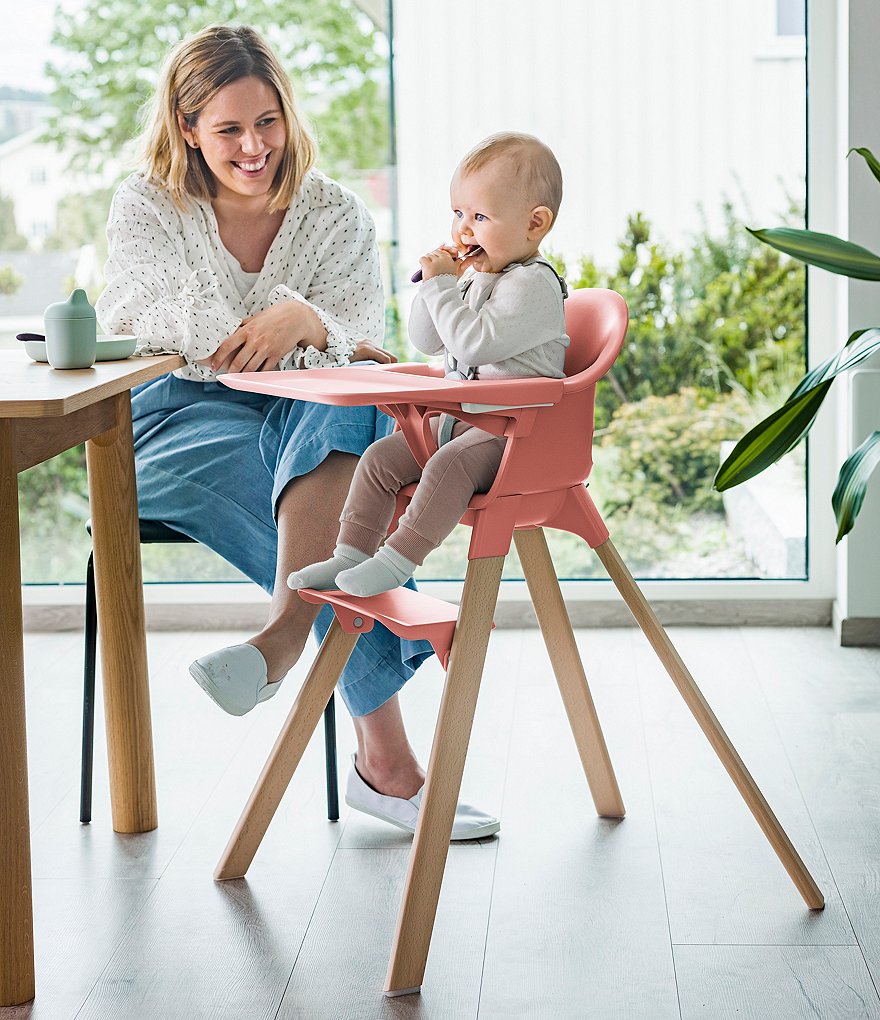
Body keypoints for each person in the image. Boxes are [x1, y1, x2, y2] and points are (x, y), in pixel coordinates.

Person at [96, 24, 498, 839]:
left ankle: (280, 643)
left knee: (341, 416)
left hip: (304, 409)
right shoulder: (146, 203)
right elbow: (142, 313)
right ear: (186, 129)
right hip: (178, 412)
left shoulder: (334, 212)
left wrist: (308, 319)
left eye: (267, 122)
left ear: (288, 114)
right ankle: (387, 766)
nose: (254, 147)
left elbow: (364, 341)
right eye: (229, 129)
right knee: (320, 509)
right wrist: (281, 322)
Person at [288, 132, 569, 598]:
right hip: (470, 420)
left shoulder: (532, 285)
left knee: (449, 465)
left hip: (521, 432)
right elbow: (429, 341)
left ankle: (397, 561)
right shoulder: (481, 278)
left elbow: (474, 345)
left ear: (535, 224)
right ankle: (350, 554)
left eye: (480, 216)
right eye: (459, 213)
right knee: (380, 458)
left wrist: (442, 288)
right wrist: (437, 287)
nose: (464, 229)